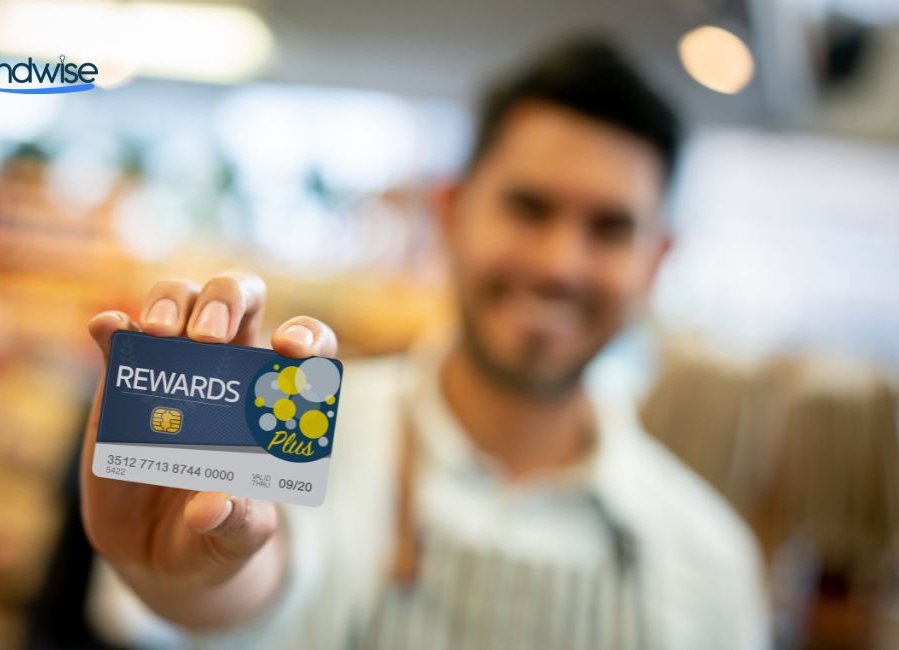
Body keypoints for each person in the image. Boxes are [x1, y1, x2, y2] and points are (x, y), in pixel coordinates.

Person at [81, 38, 770, 649]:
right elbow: (243, 577)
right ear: (452, 213)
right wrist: (183, 577)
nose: (562, 263)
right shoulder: (291, 428)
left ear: (658, 259)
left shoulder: (711, 560)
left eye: (611, 228)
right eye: (528, 208)